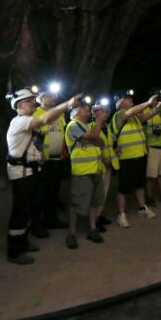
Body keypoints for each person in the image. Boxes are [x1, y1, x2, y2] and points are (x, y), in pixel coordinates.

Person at [6, 88, 79, 264]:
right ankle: (14, 252)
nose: (34, 102)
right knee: (20, 211)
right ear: (19, 105)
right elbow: (46, 118)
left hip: (30, 171)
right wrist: (68, 104)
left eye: (33, 100)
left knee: (27, 209)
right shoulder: (20, 121)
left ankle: (23, 243)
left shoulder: (26, 120)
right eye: (30, 100)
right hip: (22, 173)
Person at [63, 98, 108, 249]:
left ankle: (92, 229)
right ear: (76, 111)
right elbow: (95, 137)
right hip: (82, 171)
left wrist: (97, 128)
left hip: (95, 169)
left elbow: (100, 143)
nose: (89, 110)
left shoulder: (87, 125)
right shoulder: (73, 126)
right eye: (85, 108)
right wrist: (100, 120)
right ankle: (71, 234)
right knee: (77, 204)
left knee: (94, 202)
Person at [111, 90, 158, 228]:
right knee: (124, 187)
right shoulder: (118, 115)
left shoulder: (135, 116)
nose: (131, 99)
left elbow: (149, 114)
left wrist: (158, 106)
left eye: (130, 97)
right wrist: (148, 103)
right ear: (120, 102)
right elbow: (130, 112)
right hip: (126, 157)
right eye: (127, 98)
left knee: (139, 184)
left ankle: (142, 207)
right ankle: (121, 214)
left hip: (139, 154)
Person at [32, 90, 70, 233]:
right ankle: (38, 223)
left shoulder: (58, 112)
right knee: (40, 192)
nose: (53, 98)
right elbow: (34, 134)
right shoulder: (36, 112)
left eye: (54, 95)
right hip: (43, 159)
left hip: (57, 158)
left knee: (54, 191)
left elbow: (62, 132)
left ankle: (51, 219)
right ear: (41, 99)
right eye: (49, 96)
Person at [92, 98, 118, 229]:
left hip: (107, 166)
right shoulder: (92, 126)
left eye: (107, 111)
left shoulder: (107, 127)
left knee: (104, 193)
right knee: (97, 194)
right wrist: (103, 158)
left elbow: (108, 145)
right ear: (95, 112)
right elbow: (93, 146)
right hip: (98, 166)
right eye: (103, 111)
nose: (106, 114)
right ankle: (94, 221)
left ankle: (99, 215)